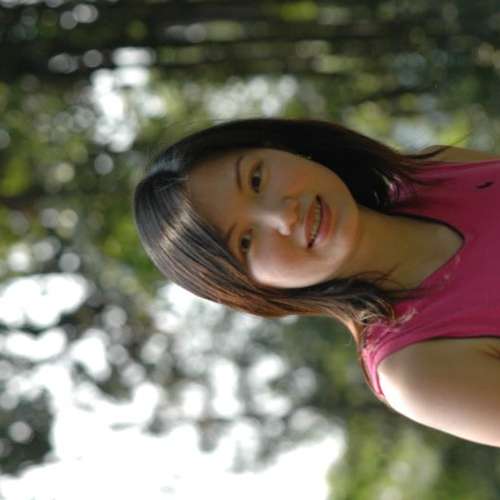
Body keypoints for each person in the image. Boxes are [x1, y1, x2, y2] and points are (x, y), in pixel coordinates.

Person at [134, 117, 500, 447]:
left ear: (279, 149)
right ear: (253, 288)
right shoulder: (416, 370)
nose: (284, 215)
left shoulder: (436, 170)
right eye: (246, 242)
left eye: (256, 179)